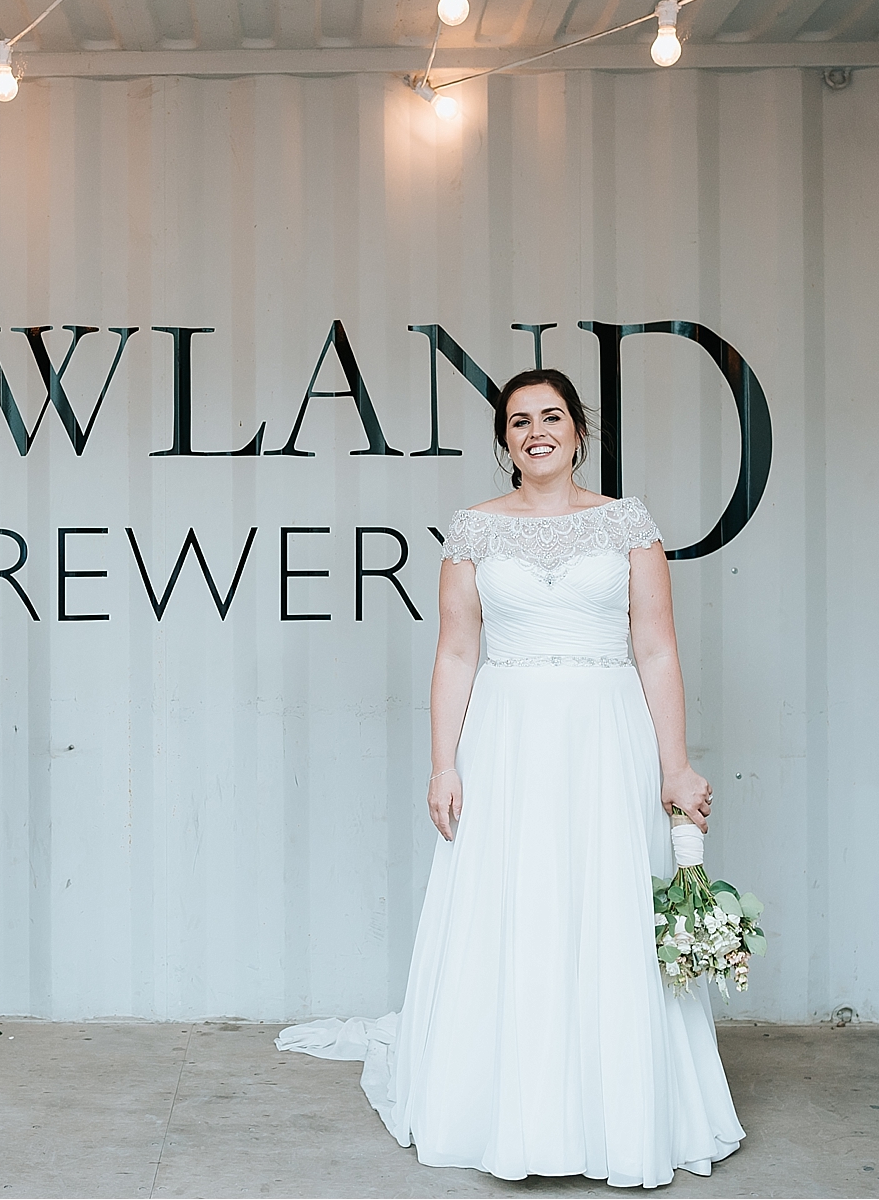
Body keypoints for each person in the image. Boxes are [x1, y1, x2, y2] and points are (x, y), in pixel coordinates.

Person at [278, 367, 743, 1186]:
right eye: (519, 420)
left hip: (605, 734)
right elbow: (457, 650)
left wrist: (676, 762)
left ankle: (613, 1116)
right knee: (514, 903)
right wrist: (442, 764)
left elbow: (656, 647)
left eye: (552, 416)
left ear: (578, 431)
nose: (537, 430)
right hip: (508, 736)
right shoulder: (474, 531)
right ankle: (508, 1108)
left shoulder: (628, 523)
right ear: (504, 441)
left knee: (606, 909)